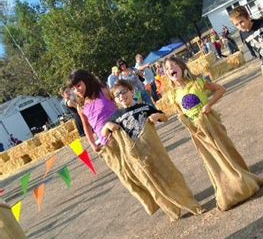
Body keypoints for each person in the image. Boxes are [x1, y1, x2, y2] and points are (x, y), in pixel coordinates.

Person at [69, 70, 201, 220]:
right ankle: (156, 202)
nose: (76, 90)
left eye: (78, 85)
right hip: (106, 145)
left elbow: (121, 103)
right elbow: (86, 126)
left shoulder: (103, 91)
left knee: (145, 171)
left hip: (124, 136)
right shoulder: (80, 106)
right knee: (129, 180)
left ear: (85, 81)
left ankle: (171, 201)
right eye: (73, 88)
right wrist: (93, 144)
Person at [164, 56, 263, 211]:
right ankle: (229, 189)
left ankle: (245, 180)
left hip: (210, 122)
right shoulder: (172, 95)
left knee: (226, 150)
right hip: (197, 130)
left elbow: (220, 89)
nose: (170, 68)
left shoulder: (197, 83)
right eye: (167, 68)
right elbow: (181, 112)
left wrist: (209, 105)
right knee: (212, 158)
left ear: (182, 67)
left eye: (173, 65)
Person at [101, 79, 204, 220]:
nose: (121, 96)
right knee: (152, 184)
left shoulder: (145, 107)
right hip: (136, 158)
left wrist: (156, 116)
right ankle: (172, 211)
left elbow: (165, 117)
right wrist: (107, 126)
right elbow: (103, 134)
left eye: (124, 92)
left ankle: (187, 200)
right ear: (115, 100)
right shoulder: (116, 117)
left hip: (154, 151)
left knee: (170, 175)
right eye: (117, 95)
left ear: (131, 91)